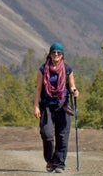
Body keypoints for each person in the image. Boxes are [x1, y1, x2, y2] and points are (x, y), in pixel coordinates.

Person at [34, 42, 79, 173]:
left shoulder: (67, 69)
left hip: (62, 104)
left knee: (62, 135)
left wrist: (75, 91)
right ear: (50, 54)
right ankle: (50, 160)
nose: (56, 55)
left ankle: (59, 164)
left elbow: (71, 86)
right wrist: (36, 106)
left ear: (62, 55)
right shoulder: (43, 69)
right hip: (46, 105)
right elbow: (38, 89)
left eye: (58, 53)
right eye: (54, 52)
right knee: (47, 134)